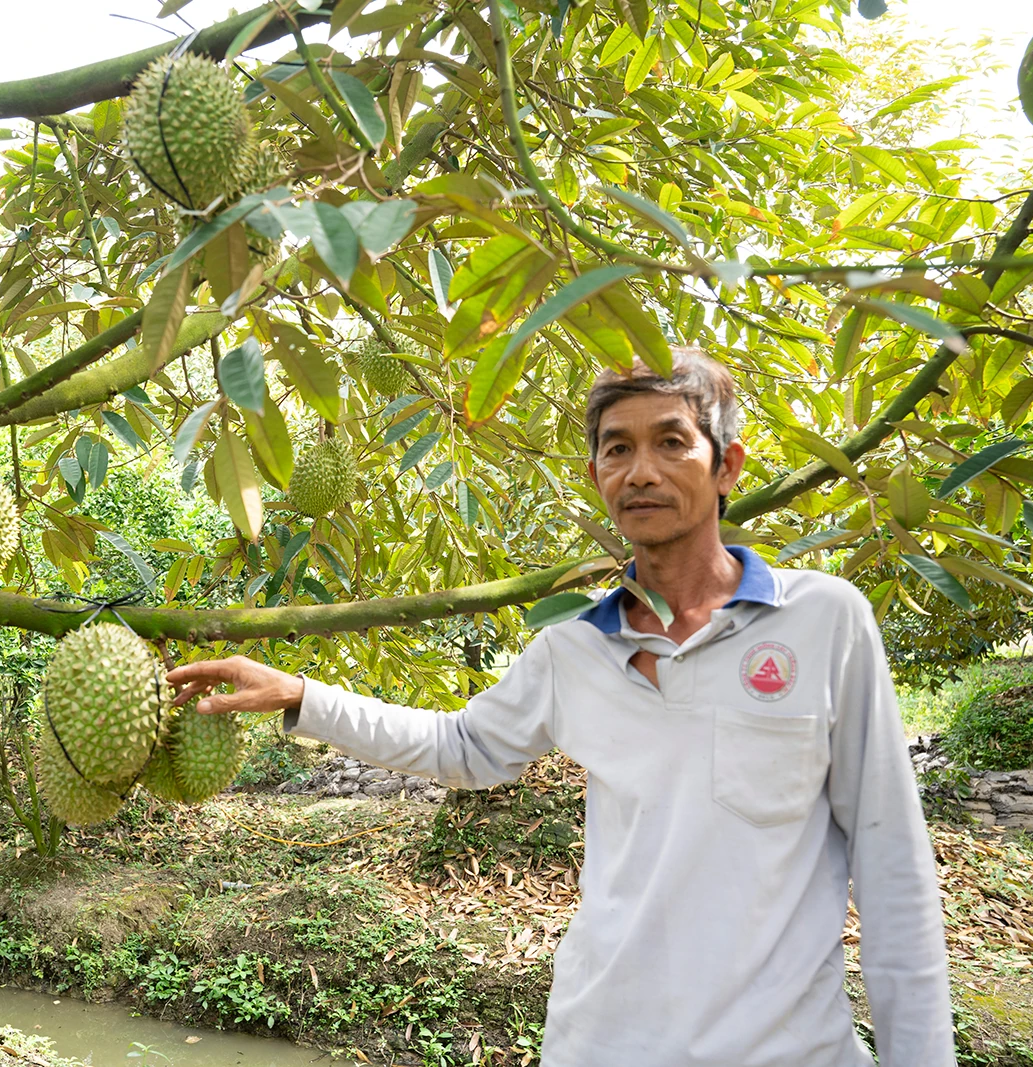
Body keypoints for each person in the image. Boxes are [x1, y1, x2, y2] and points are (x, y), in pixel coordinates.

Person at [166, 350, 954, 1067]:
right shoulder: (573, 649)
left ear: (726, 466)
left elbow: (892, 867)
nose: (641, 469)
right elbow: (462, 747)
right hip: (601, 1040)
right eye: (618, 448)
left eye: (672, 441)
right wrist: (303, 694)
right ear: (596, 475)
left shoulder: (823, 620)